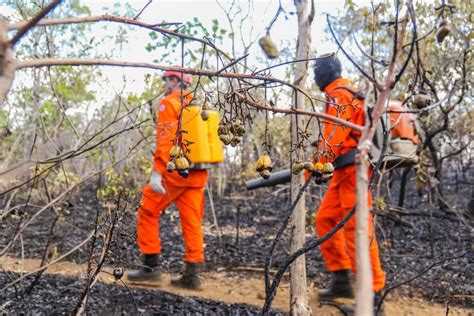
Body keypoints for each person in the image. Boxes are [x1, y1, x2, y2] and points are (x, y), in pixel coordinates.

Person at [312, 54, 386, 313]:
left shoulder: (340, 94)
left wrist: (319, 162)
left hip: (353, 170)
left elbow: (335, 135)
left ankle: (373, 295)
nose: (314, 76)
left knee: (358, 232)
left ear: (328, 71)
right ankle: (342, 280)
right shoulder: (340, 92)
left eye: (316, 70)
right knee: (325, 219)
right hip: (343, 172)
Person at [127, 70, 208, 290]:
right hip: (198, 173)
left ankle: (151, 268)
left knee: (147, 210)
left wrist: (157, 171)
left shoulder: (169, 103)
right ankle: (193, 274)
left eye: (166, 79)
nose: (164, 83)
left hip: (175, 172)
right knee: (192, 221)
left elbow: (166, 140)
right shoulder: (199, 104)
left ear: (175, 81)